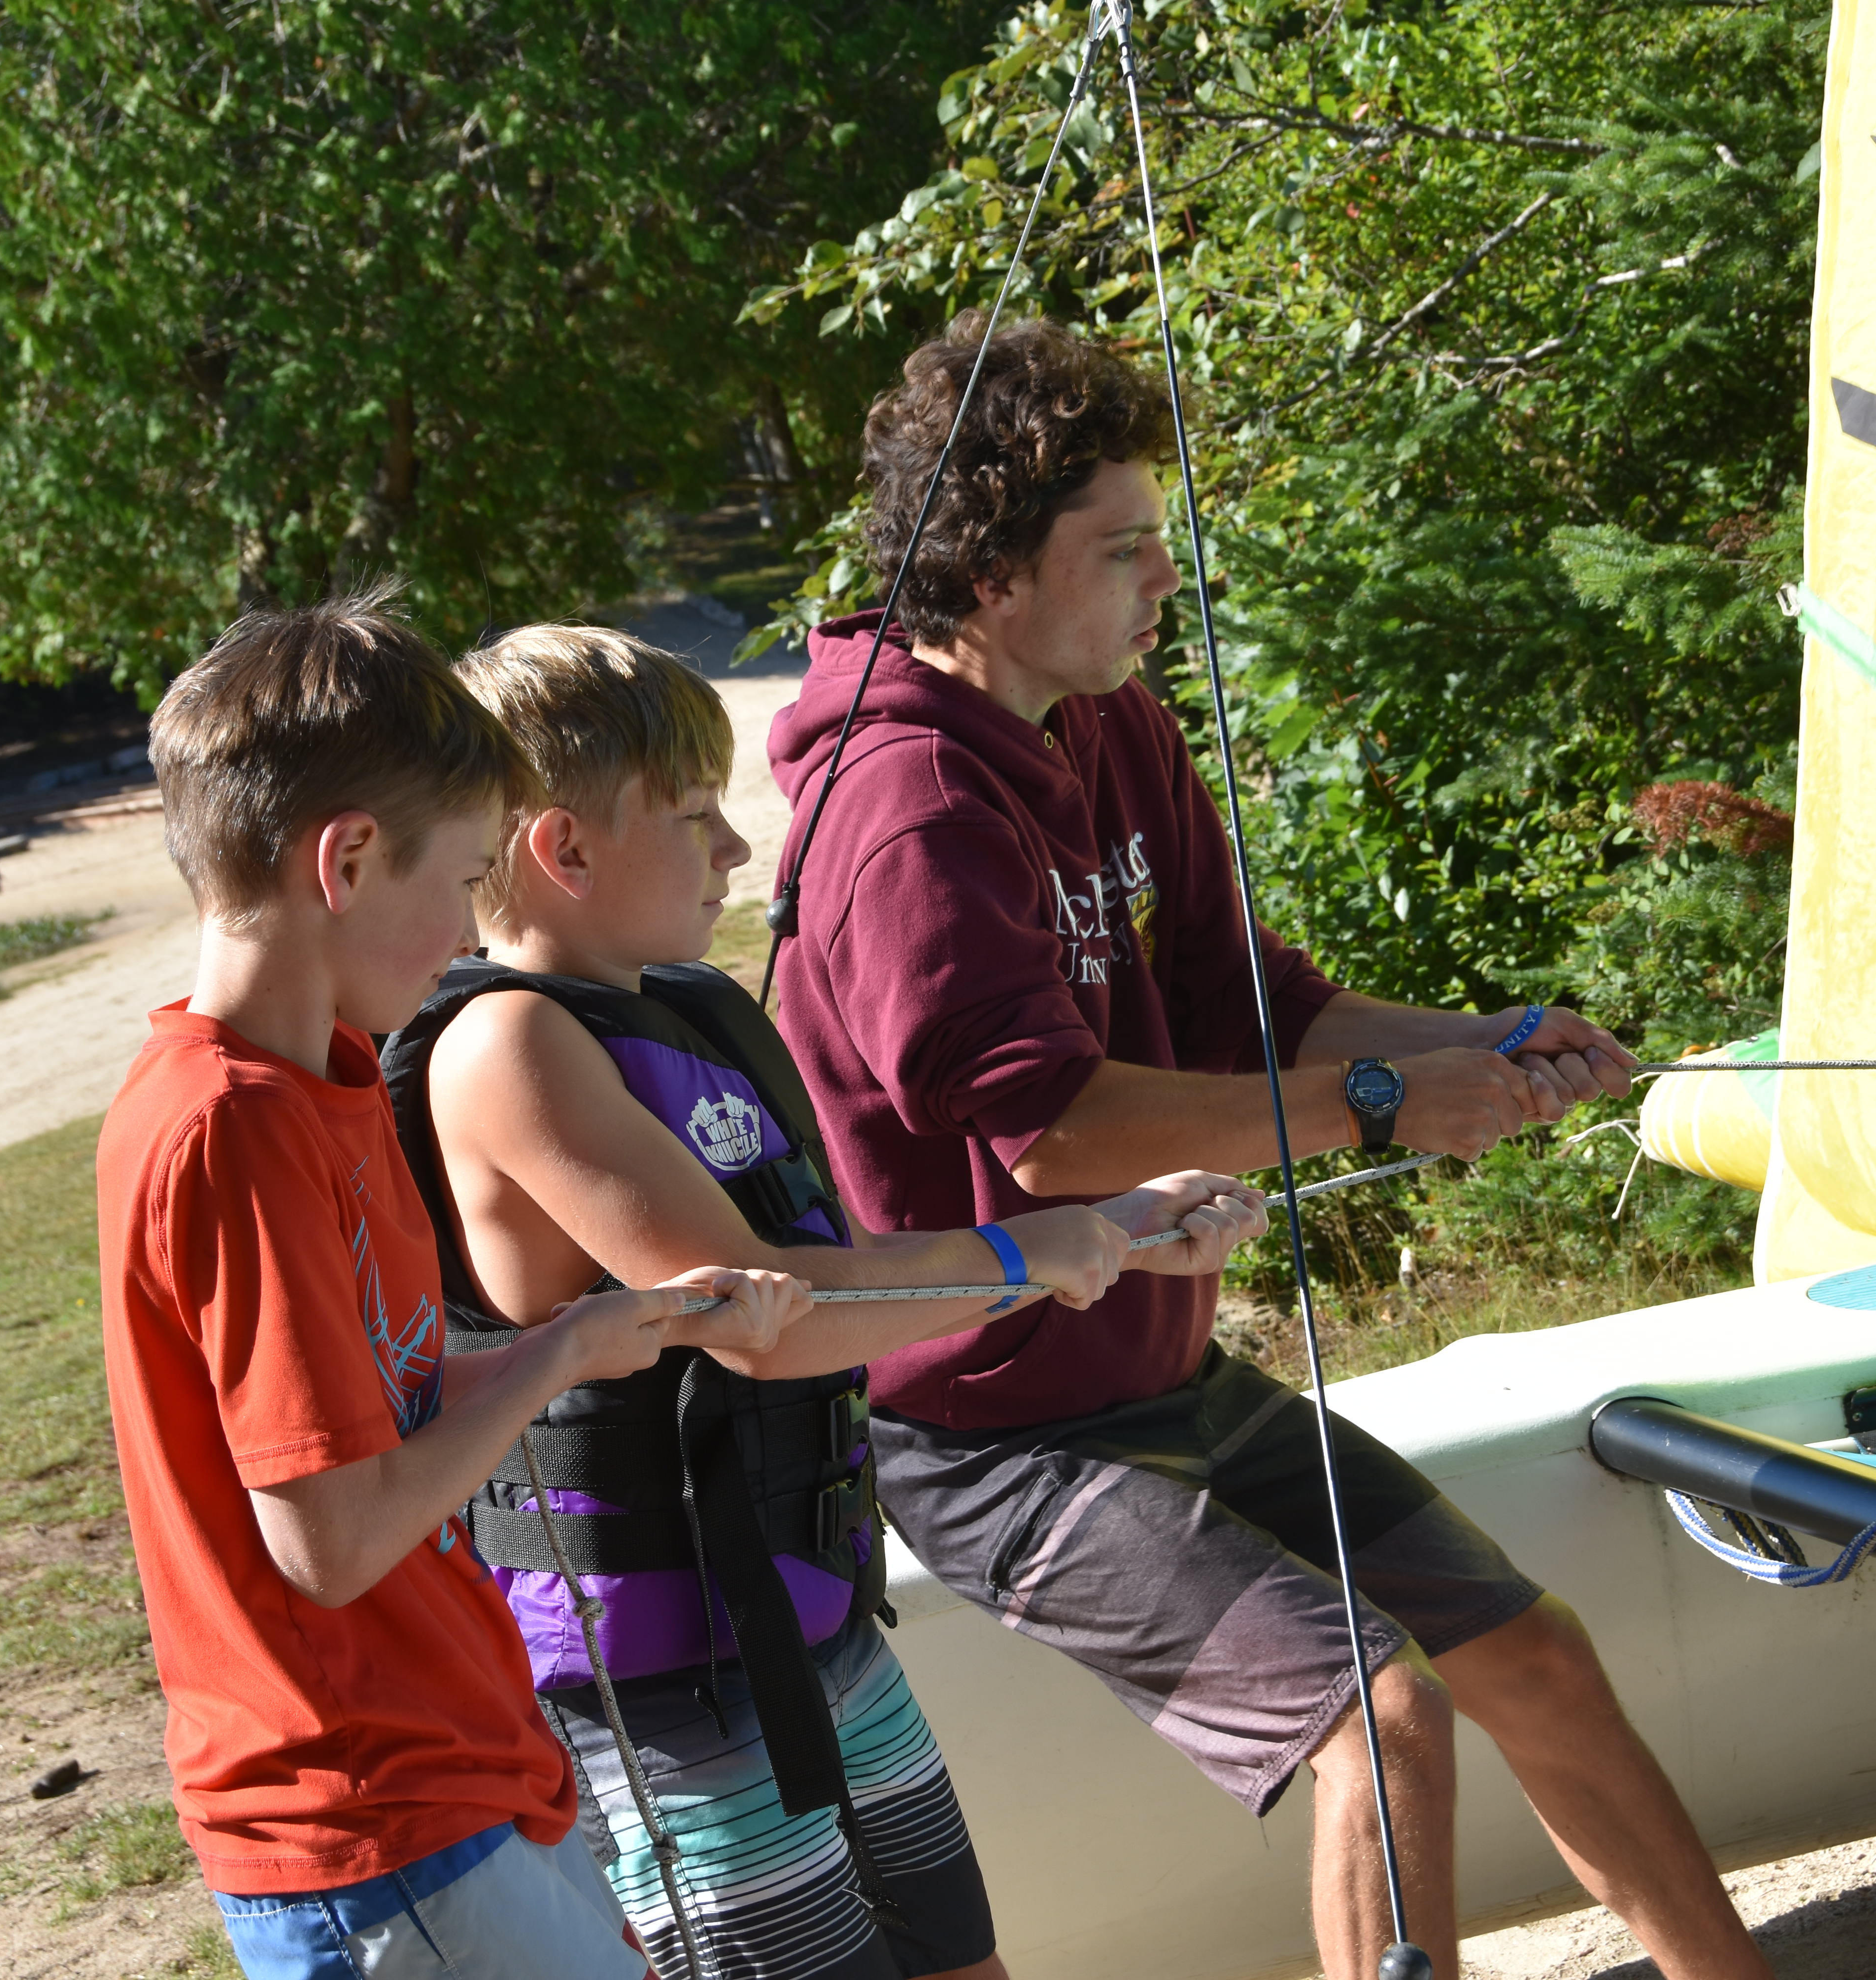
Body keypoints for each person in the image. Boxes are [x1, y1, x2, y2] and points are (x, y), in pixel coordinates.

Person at [763, 317, 1775, 1980]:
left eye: (1162, 538)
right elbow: (1056, 1137)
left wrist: (1478, 1044)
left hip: (1158, 1372)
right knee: (1383, 1724)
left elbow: (1265, 1008)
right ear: (991, 570)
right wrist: (1381, 1112)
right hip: (991, 1428)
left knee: (1534, 1653)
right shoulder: (906, 808)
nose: (1167, 580)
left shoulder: (1115, 727)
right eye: (1124, 549)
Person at [378, 623, 1264, 1980]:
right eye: (693, 819)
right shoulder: (508, 1046)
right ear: (563, 850)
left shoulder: (680, 1010)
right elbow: (762, 1313)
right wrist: (1045, 1251)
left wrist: (1122, 1233)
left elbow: (848, 1259)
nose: (736, 854)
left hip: (815, 1620)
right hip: (668, 1682)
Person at [96, 587, 802, 1980]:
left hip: (463, 1771)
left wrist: (601, 1333)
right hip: (369, 1815)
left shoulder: (330, 1083)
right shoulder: (228, 1129)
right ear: (349, 859)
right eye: (462, 874)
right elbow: (335, 1535)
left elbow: (379, 1401)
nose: (465, 929)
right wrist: (548, 1363)